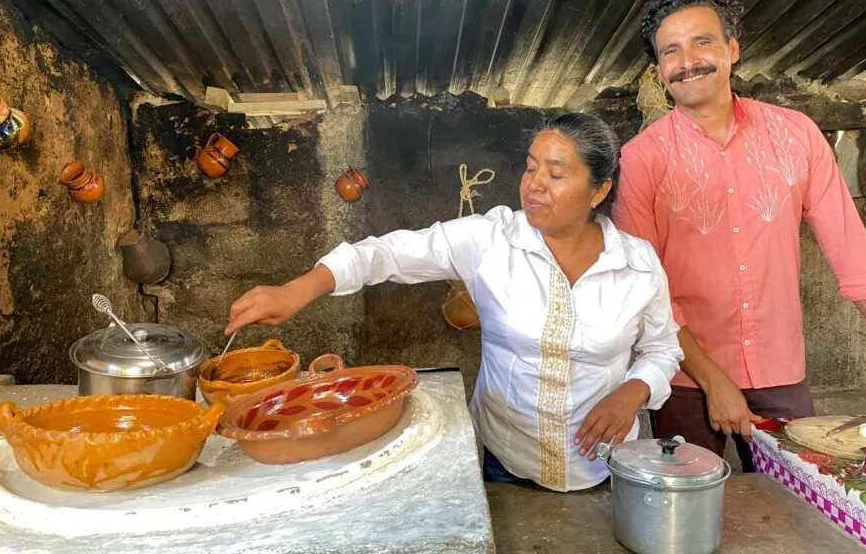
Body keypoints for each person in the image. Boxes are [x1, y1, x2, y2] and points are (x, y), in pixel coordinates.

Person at [225, 113, 684, 492]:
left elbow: (663, 349)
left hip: (605, 467)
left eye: (556, 173)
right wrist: (299, 289)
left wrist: (634, 391)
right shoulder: (492, 238)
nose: (534, 185)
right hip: (507, 461)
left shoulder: (637, 265)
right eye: (530, 167)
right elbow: (385, 253)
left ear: (599, 190)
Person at [614, 0, 866, 470]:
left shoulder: (797, 135)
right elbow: (646, 294)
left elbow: (853, 254)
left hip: (780, 369)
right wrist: (714, 382)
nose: (688, 61)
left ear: (732, 49)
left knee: (800, 506)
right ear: (659, 70)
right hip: (685, 377)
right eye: (671, 51)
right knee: (688, 514)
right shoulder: (641, 159)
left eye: (702, 42)